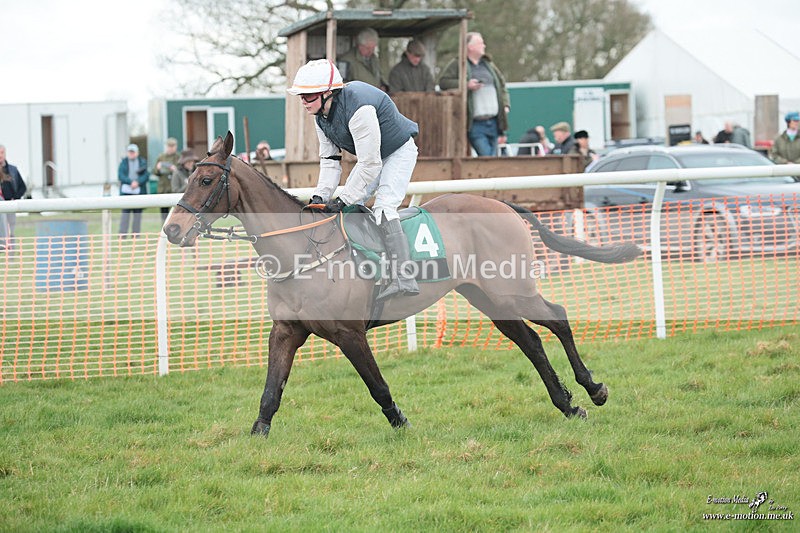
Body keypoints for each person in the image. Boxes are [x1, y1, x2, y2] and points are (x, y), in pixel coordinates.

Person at [287, 59, 419, 300]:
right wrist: (321, 195)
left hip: (398, 152)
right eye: (301, 97)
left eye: (308, 96)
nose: (303, 102)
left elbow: (370, 164)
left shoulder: (359, 109)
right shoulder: (320, 116)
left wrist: (343, 198)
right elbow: (330, 160)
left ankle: (404, 276)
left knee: (383, 207)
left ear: (328, 93)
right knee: (346, 208)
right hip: (374, 158)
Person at [438, 32, 510, 157]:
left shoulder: (489, 65)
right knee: (487, 157)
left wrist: (506, 105)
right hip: (476, 123)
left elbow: (502, 85)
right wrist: (465, 85)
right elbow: (443, 82)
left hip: (494, 121)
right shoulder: (458, 63)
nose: (484, 45)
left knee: (492, 158)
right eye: (480, 43)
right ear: (470, 47)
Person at [117, 143, 150, 235]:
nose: (131, 153)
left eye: (133, 152)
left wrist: (138, 182)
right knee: (125, 215)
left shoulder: (142, 162)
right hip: (126, 193)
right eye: (130, 152)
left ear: (137, 153)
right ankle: (122, 234)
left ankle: (135, 235)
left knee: (137, 216)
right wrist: (130, 182)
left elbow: (146, 175)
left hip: (138, 192)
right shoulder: (123, 163)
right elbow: (120, 175)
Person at [0, 144, 27, 248]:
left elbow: (22, 187)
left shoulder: (12, 170)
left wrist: (15, 198)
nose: (0, 155)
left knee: (10, 231)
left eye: (2, 153)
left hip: (10, 206)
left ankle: (10, 255)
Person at [153, 137, 179, 221]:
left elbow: (182, 172)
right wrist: (158, 168)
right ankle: (163, 231)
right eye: (169, 146)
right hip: (163, 188)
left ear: (176, 146)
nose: (171, 148)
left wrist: (175, 170)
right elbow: (155, 172)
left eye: (173, 146)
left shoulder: (178, 157)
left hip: (174, 189)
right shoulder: (161, 157)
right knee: (164, 214)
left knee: (175, 214)